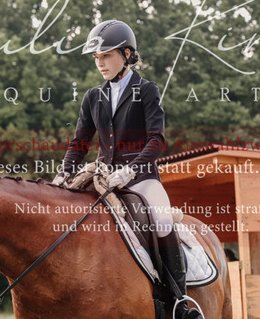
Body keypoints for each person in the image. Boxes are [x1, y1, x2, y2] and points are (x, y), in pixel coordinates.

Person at [53, 20, 202, 319]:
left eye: (106, 56)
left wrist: (130, 171)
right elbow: (79, 143)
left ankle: (180, 301)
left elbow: (156, 140)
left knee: (162, 218)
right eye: (97, 58)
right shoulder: (93, 97)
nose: (100, 63)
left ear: (126, 54)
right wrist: (63, 174)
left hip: (141, 178)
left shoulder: (146, 90)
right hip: (103, 178)